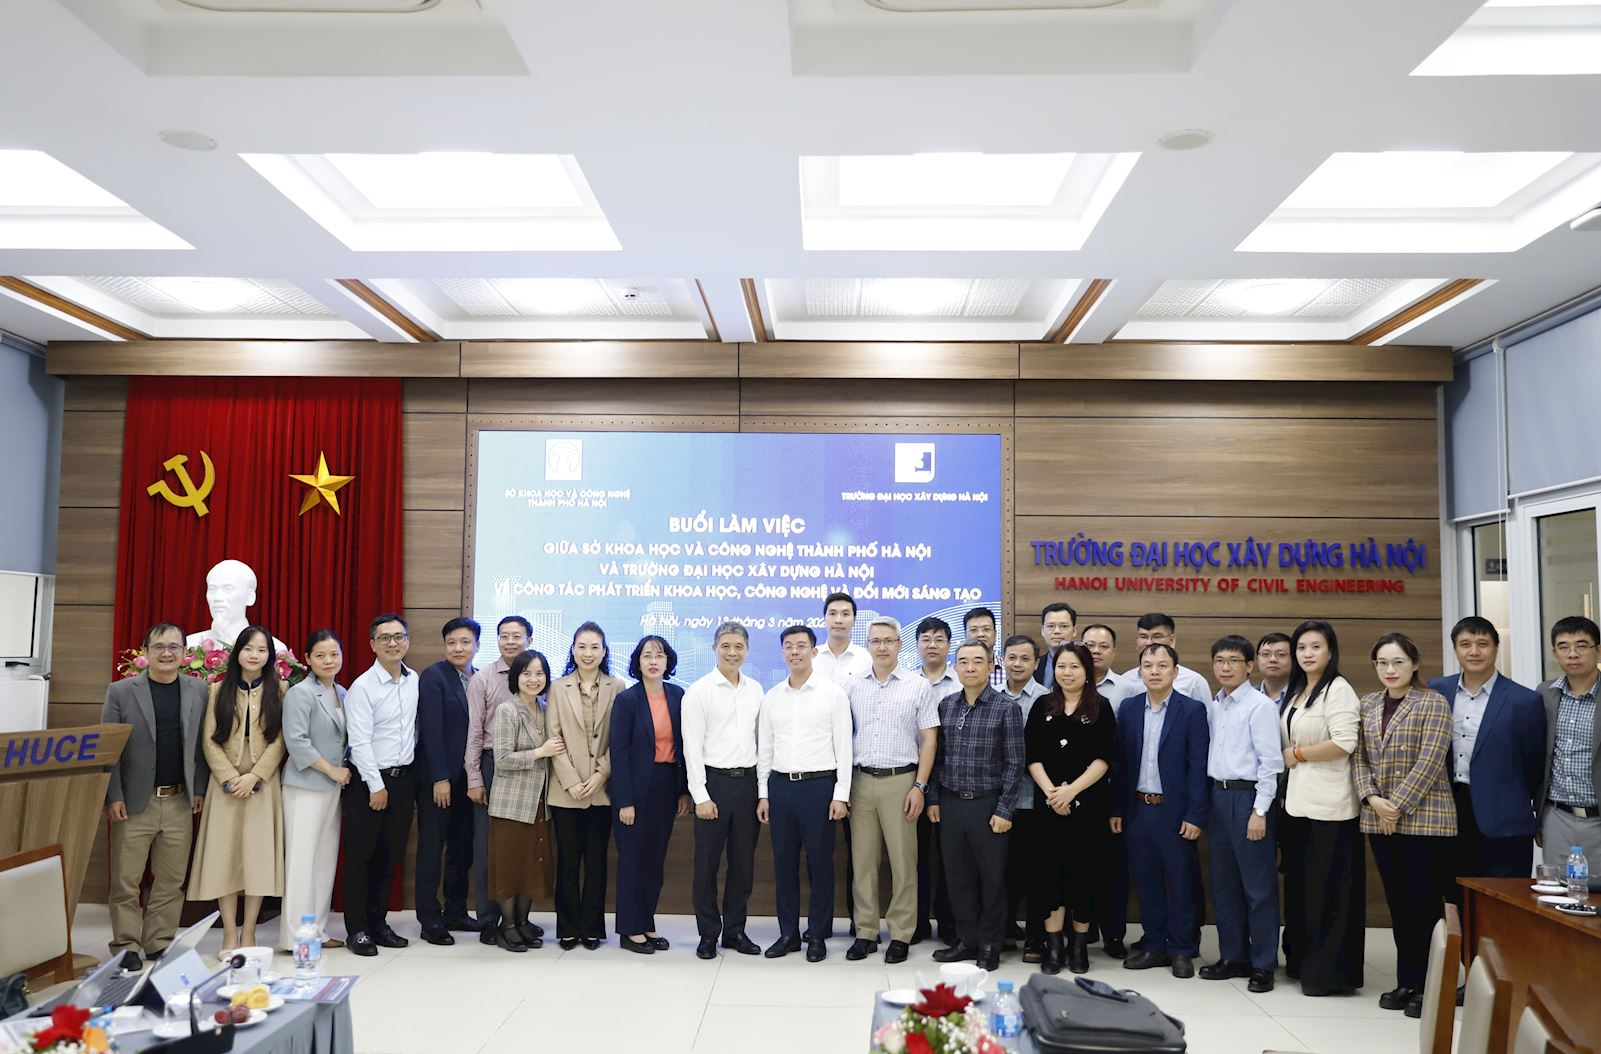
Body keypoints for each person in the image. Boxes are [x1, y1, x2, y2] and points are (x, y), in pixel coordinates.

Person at [1355, 632, 1456, 1016]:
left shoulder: (1433, 702)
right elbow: (1358, 758)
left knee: (1424, 905)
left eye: (1398, 662)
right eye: (1382, 662)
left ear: (1414, 664)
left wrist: (1395, 806)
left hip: (1424, 820)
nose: (1390, 669)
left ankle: (1431, 986)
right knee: (1398, 905)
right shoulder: (1367, 704)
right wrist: (1372, 799)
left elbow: (1431, 760)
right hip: (1379, 818)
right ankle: (1406, 981)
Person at [101, 622, 210, 964]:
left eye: (174, 647)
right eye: (159, 646)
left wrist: (199, 789)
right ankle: (126, 946)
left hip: (179, 800)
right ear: (146, 651)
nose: (166, 653)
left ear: (184, 653)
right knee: (126, 881)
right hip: (135, 802)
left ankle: (158, 942)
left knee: (171, 880)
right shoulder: (121, 691)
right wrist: (114, 795)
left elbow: (202, 746)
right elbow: (109, 749)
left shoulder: (198, 689)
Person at [1109, 643, 1209, 979]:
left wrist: (1195, 814)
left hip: (1175, 811)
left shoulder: (1191, 710)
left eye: (1162, 665)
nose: (1154, 671)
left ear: (1175, 671)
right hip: (1138, 807)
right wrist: (1117, 808)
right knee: (1146, 881)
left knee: (1180, 882)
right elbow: (1121, 763)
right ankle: (1153, 944)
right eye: (1148, 665)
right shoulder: (1129, 708)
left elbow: (1198, 767)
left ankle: (1181, 949)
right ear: (1140, 671)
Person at [845, 617, 938, 964]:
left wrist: (919, 786)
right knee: (863, 862)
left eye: (888, 641)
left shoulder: (918, 686)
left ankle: (901, 933)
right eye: (875, 641)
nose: (882, 647)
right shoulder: (852, 685)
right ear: (867, 645)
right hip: (860, 781)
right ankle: (866, 932)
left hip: (902, 781)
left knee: (903, 862)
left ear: (900, 645)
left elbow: (929, 740)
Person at [1278, 619, 1364, 996]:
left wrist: (1298, 754)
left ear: (1330, 652)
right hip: (1297, 804)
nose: (1307, 653)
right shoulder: (1299, 689)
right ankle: (1301, 963)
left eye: (1316, 646)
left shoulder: (1338, 689)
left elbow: (1345, 742)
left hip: (1330, 807)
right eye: (1301, 647)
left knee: (1328, 894)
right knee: (1303, 890)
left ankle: (1328, 975)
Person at [188, 625, 286, 955]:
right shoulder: (217, 690)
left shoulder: (280, 689)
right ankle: (229, 932)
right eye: (248, 648)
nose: (254, 655)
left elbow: (281, 740)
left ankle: (249, 932)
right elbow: (208, 740)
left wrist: (256, 775)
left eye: (261, 649)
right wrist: (229, 777)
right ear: (237, 653)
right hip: (225, 785)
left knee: (258, 857)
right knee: (224, 858)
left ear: (269, 655)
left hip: (262, 783)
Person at [1428, 616, 1545, 889]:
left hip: (1503, 817)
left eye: (1482, 644)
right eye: (1465, 644)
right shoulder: (1436, 691)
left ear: (1496, 648)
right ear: (1455, 649)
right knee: (1453, 894)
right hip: (1448, 810)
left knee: (1504, 897)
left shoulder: (1524, 701)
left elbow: (1534, 766)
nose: (1474, 651)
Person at [928, 641, 1024, 972]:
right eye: (964, 661)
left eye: (977, 661)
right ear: (955, 667)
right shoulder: (946, 705)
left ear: (991, 667)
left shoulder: (1006, 708)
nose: (970, 667)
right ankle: (966, 941)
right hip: (952, 803)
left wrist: (1005, 810)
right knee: (958, 878)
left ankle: (990, 944)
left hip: (988, 805)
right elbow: (938, 758)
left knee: (992, 879)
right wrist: (933, 799)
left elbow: (1015, 764)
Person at [758, 625, 852, 962]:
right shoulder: (771, 697)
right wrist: (763, 793)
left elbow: (844, 747)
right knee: (784, 865)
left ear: (814, 652)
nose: (794, 651)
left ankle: (817, 935)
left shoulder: (832, 694)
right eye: (788, 646)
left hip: (819, 787)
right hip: (781, 787)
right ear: (782, 652)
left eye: (801, 646)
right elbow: (765, 750)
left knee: (820, 864)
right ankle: (788, 935)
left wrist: (841, 794)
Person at [1199, 636, 1283, 993]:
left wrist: (1260, 810)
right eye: (1220, 660)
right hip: (1217, 797)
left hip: (1248, 799)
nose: (1225, 667)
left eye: (1234, 660)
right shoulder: (1215, 705)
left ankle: (1263, 964)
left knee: (1258, 887)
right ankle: (1233, 957)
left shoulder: (1260, 706)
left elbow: (1271, 763)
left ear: (1249, 666)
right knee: (1224, 884)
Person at [1025, 642, 1114, 975]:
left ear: (1087, 671)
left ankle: (1078, 947)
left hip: (1088, 807)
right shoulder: (1042, 705)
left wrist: (1072, 790)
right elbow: (1032, 755)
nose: (1067, 672)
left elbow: (1104, 757)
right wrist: (1053, 794)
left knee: (1083, 876)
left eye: (1075, 666)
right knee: (1049, 876)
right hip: (1048, 806)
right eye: (1061, 666)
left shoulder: (1101, 707)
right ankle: (1053, 947)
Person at [683, 621, 765, 960]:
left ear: (747, 650)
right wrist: (701, 796)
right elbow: (691, 748)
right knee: (706, 866)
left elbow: (763, 743)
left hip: (747, 784)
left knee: (743, 865)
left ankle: (734, 931)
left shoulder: (756, 690)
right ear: (715, 648)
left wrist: (762, 791)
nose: (732, 652)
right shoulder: (698, 692)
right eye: (726, 646)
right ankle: (708, 933)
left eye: (738, 646)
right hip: (713, 784)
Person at [342, 613, 419, 957]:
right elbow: (359, 742)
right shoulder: (362, 687)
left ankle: (378, 924)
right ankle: (357, 930)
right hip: (369, 782)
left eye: (399, 637)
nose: (393, 643)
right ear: (372, 644)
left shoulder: (413, 680)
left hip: (403, 781)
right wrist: (376, 785)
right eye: (385, 638)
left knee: (389, 857)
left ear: (408, 641)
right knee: (361, 859)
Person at [610, 636, 690, 954]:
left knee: (654, 861)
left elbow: (683, 746)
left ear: (668, 661)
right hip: (634, 789)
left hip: (666, 785)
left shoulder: (677, 695)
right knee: (632, 860)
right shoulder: (627, 700)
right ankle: (630, 930)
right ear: (638, 662)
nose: (653, 661)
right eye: (647, 656)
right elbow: (618, 753)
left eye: (659, 655)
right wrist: (625, 800)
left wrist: (682, 791)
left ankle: (647, 922)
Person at [546, 621, 621, 950]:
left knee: (596, 863)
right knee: (567, 862)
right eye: (582, 646)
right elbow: (553, 737)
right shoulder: (557, 687)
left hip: (601, 791)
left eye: (595, 647)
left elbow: (620, 739)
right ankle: (567, 927)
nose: (588, 653)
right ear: (573, 650)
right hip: (566, 791)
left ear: (604, 652)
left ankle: (591, 928)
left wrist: (601, 774)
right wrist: (572, 781)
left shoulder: (617, 686)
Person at [487, 650, 562, 952]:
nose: (534, 679)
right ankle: (507, 927)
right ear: (516, 678)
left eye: (539, 673)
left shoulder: (546, 708)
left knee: (531, 865)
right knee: (510, 866)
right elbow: (502, 759)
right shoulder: (507, 710)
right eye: (527, 673)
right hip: (511, 803)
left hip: (540, 803)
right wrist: (540, 752)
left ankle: (522, 921)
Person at [280, 629, 349, 951]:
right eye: (320, 655)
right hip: (305, 786)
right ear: (307, 659)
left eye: (334, 654)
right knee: (302, 863)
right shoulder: (300, 693)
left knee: (324, 861)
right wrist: (331, 769)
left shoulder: (343, 693)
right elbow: (296, 741)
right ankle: (295, 936)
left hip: (333, 788)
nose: (328, 660)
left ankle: (316, 931)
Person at [414, 617, 482, 944]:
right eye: (452, 642)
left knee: (461, 848)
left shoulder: (479, 678)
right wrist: (439, 777)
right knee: (431, 848)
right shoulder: (434, 676)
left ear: (477, 646)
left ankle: (455, 911)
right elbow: (431, 730)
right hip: (439, 779)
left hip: (469, 780)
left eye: (465, 642)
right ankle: (429, 919)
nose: (458, 648)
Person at [465, 615, 532, 944]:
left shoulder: (536, 675)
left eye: (516, 636)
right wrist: (475, 778)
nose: (510, 642)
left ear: (529, 640)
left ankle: (517, 919)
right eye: (504, 636)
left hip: (530, 768)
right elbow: (474, 734)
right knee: (488, 847)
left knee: (520, 848)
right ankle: (489, 919)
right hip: (494, 766)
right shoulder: (484, 679)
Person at [1080, 622, 1132, 960]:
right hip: (1074, 793)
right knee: (1081, 864)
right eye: (1090, 645)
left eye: (1103, 646)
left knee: (1113, 867)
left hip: (1112, 790)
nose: (1096, 651)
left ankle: (1113, 933)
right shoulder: (1066, 686)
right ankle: (1083, 929)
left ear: (1114, 651)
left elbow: (1126, 747)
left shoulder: (1127, 689)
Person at [1538, 615, 1601, 884]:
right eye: (1563, 647)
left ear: (1598, 650)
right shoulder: (1544, 694)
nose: (1572, 654)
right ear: (1555, 653)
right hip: (1557, 817)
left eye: (1581, 646)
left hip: (1597, 817)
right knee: (1556, 894)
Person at [998, 634, 1049, 961]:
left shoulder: (1048, 699)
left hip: (1036, 799)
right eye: (1012, 657)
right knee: (1003, 872)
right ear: (1002, 660)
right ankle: (1004, 931)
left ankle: (1035, 938)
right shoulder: (991, 696)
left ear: (1036, 663)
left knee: (1036, 873)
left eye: (1025, 658)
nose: (1017, 664)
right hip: (999, 800)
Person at [915, 616, 959, 944]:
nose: (932, 645)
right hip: (912, 780)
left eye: (939, 639)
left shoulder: (961, 682)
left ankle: (948, 922)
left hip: (950, 781)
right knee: (914, 856)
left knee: (950, 857)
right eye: (926, 639)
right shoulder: (906, 682)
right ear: (916, 644)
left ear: (949, 645)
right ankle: (916, 922)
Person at [1124, 614, 1210, 701]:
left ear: (1172, 640)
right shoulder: (1126, 680)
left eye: (1156, 636)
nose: (1149, 643)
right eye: (1143, 637)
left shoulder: (1194, 682)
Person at [813, 591, 871, 685]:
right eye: (832, 614)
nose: (838, 620)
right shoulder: (811, 658)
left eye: (845, 614)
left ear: (854, 619)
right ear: (824, 618)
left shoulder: (867, 658)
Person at [1033, 603, 1078, 687]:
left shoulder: (1083, 665)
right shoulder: (1033, 665)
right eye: (1050, 626)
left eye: (1064, 626)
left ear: (1074, 631)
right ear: (1042, 631)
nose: (1057, 631)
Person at [964, 606, 1006, 689]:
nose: (980, 634)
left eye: (986, 629)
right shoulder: (957, 671)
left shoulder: (1009, 668)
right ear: (965, 635)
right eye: (974, 630)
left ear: (995, 634)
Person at [1256, 633, 1293, 706]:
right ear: (1257, 660)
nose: (1273, 659)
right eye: (1266, 654)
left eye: (1281, 654)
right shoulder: (1247, 697)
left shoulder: (1303, 695)